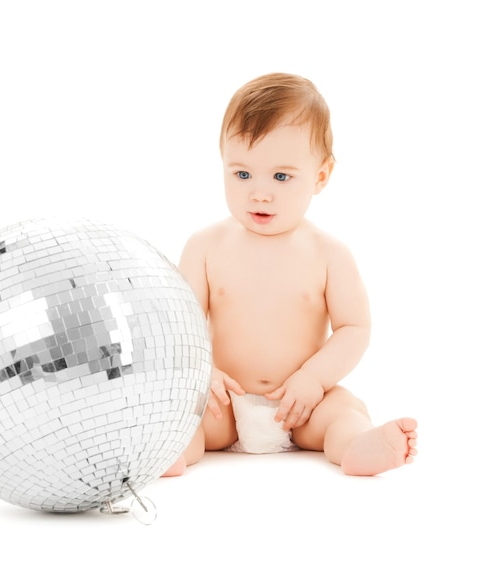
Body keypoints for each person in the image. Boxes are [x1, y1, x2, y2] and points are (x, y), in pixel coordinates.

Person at [165, 72, 417, 477]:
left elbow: (354, 327)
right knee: (185, 415)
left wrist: (314, 379)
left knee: (343, 410)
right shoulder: (205, 246)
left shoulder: (329, 253)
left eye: (281, 176)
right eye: (241, 174)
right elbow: (180, 325)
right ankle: (166, 453)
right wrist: (203, 372)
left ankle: (356, 444)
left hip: (300, 405)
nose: (259, 192)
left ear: (320, 176)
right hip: (225, 399)